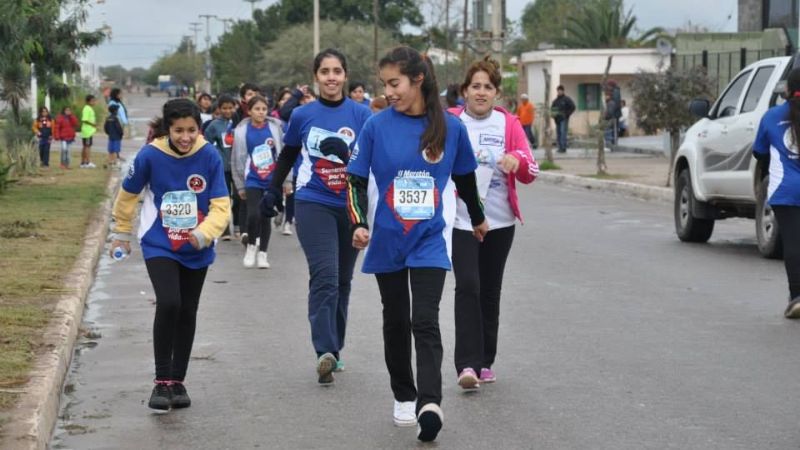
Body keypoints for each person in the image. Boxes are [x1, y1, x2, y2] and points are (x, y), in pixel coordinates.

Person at [345, 46, 488, 442]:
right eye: (384, 84)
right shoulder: (376, 126)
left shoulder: (451, 128)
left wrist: (477, 218)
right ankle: (403, 395)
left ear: (418, 79)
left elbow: (466, 181)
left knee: (424, 319)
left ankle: (430, 403)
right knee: (395, 319)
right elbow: (355, 179)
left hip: (429, 240)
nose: (388, 91)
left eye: (395, 83)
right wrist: (358, 222)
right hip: (388, 239)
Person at [109, 98, 230, 411]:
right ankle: (161, 382)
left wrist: (205, 233)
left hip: (198, 245)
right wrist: (121, 233)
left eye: (191, 130)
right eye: (179, 130)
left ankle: (178, 381)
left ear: (198, 129)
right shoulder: (151, 155)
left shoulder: (209, 154)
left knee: (188, 310)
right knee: (169, 302)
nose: (185, 137)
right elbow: (127, 195)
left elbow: (221, 205)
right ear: (168, 129)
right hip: (160, 242)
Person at [261, 48, 372, 385]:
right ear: (316, 76)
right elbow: (288, 155)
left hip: (351, 206)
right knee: (324, 274)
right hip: (313, 202)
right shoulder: (302, 116)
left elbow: (375, 162)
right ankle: (323, 349)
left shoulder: (363, 115)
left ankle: (334, 349)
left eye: (337, 71)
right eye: (325, 71)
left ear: (346, 75)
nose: (331, 77)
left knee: (342, 281)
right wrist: (272, 190)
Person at [446, 56, 538, 390]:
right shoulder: (451, 122)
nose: (481, 92)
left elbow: (532, 170)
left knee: (489, 290)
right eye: (475, 86)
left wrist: (518, 162)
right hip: (461, 220)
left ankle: (485, 361)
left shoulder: (509, 124)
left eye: (488, 87)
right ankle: (466, 365)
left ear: (496, 93)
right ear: (464, 91)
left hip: (500, 221)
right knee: (467, 285)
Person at [753, 68, 800, 319]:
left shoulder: (771, 117)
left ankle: (797, 297)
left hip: (785, 190)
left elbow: (759, 152)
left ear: (786, 90)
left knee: (793, 242)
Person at [231, 95, 285, 269]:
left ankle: (263, 254)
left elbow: (284, 155)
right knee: (253, 214)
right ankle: (251, 246)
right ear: (249, 111)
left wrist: (286, 180)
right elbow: (237, 159)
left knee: (265, 217)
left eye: (263, 109)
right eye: (257, 109)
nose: (261, 112)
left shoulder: (274, 128)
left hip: (271, 180)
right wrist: (240, 184)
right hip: (252, 178)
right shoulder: (241, 131)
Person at [204, 94, 239, 240]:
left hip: (238, 167)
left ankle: (237, 225)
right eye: (224, 108)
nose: (227, 111)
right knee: (224, 198)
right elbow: (206, 143)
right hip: (222, 166)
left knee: (238, 197)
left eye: (230, 108)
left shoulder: (239, 123)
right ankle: (224, 229)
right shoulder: (214, 125)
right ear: (219, 109)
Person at [551, 85, 575, 153]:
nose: (559, 92)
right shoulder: (555, 101)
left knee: (563, 133)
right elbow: (552, 109)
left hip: (564, 119)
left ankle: (563, 147)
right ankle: (560, 147)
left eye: (560, 91)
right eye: (558, 91)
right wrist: (553, 115)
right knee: (558, 134)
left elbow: (573, 107)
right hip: (557, 120)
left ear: (563, 91)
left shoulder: (567, 99)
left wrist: (567, 114)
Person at [80, 95, 98, 168]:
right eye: (92, 101)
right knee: (87, 147)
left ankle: (83, 162)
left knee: (86, 146)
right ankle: (87, 162)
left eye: (94, 101)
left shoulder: (89, 108)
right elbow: (84, 119)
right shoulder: (87, 108)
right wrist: (93, 124)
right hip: (87, 131)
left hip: (88, 131)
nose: (94, 102)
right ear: (88, 101)